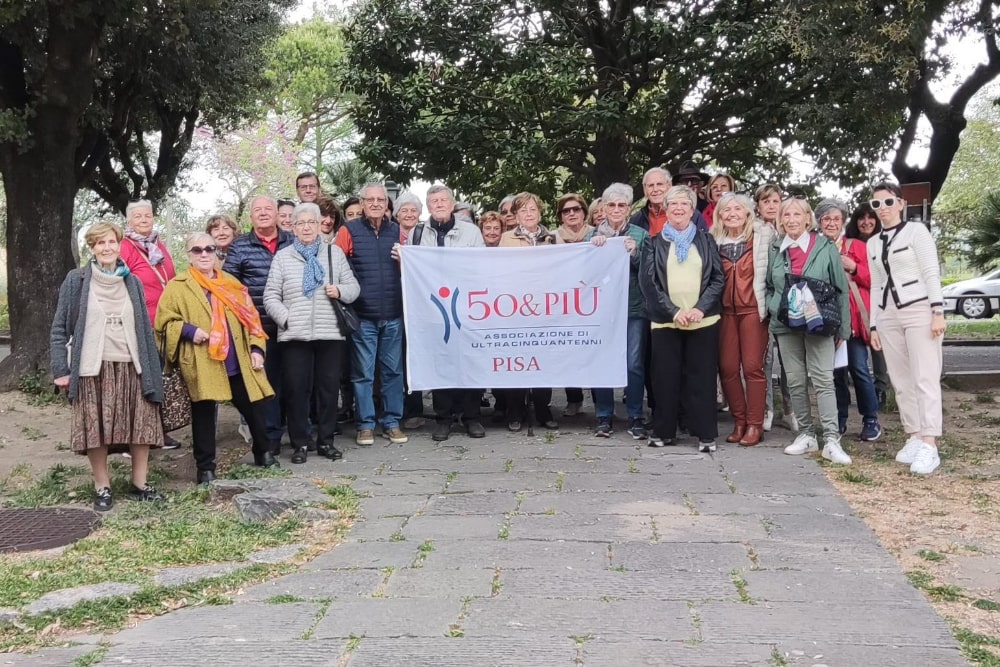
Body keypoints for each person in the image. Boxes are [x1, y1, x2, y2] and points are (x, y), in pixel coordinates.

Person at [50, 222, 165, 511]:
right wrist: (61, 370)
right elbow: (59, 329)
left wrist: (154, 367)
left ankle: (139, 484)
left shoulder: (132, 282)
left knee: (141, 424)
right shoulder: (76, 280)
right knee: (95, 428)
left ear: (119, 244)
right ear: (92, 248)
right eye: (99, 243)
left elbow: (144, 328)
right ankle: (102, 486)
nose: (106, 248)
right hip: (92, 367)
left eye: (111, 242)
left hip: (132, 365)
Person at [156, 233, 278, 483]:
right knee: (203, 415)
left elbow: (251, 319)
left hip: (237, 360)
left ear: (216, 253)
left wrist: (257, 349)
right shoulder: (177, 286)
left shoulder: (231, 282)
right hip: (203, 362)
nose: (204, 254)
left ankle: (263, 452)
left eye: (209, 249)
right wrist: (190, 332)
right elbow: (164, 324)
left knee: (254, 408)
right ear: (189, 254)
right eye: (197, 250)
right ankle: (206, 468)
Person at [263, 203, 360, 463]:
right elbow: (270, 296)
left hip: (330, 334)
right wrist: (286, 318)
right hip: (295, 335)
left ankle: (326, 441)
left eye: (311, 222)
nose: (306, 227)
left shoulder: (334, 254)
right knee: (296, 390)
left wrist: (339, 291)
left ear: (319, 226)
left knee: (328, 390)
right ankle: (300, 443)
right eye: (301, 223)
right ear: (293, 227)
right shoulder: (283, 257)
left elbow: (354, 288)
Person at [866, 182, 947, 475]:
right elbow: (876, 285)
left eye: (888, 202)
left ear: (900, 204)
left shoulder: (917, 232)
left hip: (919, 308)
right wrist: (873, 324)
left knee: (925, 376)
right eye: (877, 205)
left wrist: (937, 311)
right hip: (888, 314)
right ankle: (913, 434)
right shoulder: (872, 243)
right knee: (900, 379)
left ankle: (930, 441)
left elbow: (930, 271)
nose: (883, 209)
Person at [766, 197, 852, 465]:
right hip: (786, 325)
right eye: (786, 215)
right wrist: (773, 306)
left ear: (807, 218)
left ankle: (831, 439)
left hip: (820, 323)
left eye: (797, 214)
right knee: (795, 380)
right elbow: (770, 284)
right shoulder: (776, 249)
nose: (791, 219)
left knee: (824, 380)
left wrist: (843, 330)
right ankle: (806, 434)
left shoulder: (824, 246)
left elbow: (841, 288)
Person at [639, 185, 724, 452]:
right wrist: (674, 312)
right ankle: (664, 431)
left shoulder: (706, 240)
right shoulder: (652, 243)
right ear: (665, 209)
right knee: (665, 378)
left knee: (702, 378)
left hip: (703, 320)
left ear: (692, 210)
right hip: (666, 321)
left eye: (684, 204)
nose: (678, 209)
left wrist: (700, 308)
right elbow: (649, 283)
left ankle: (705, 435)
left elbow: (717, 278)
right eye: (673, 204)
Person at [407, 184, 487, 440]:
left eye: (443, 200)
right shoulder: (417, 233)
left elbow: (481, 267)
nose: (439, 205)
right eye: (434, 202)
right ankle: (444, 418)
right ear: (428, 207)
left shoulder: (471, 232)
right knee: (440, 361)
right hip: (431, 308)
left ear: (452, 204)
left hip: (465, 307)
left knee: (469, 361)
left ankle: (471, 416)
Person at [334, 182, 408, 446]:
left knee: (393, 372)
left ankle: (391, 422)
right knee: (363, 373)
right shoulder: (348, 231)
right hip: (362, 315)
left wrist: (404, 262)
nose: (376, 204)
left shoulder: (398, 231)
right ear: (362, 203)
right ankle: (365, 424)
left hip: (393, 314)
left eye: (381, 200)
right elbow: (336, 267)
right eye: (370, 200)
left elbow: (411, 271)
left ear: (387, 204)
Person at [223, 195, 295, 453]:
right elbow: (228, 287)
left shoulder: (293, 241)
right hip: (259, 329)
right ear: (250, 216)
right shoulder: (240, 246)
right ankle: (271, 439)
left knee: (294, 384)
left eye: (268, 209)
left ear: (277, 214)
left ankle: (299, 436)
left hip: (293, 327)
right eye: (257, 210)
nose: (263, 213)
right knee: (267, 386)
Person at [816, 199, 882, 442]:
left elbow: (874, 281)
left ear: (843, 222)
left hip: (852, 321)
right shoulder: (815, 247)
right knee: (836, 374)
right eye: (826, 219)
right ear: (819, 222)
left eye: (836, 219)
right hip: (826, 322)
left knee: (859, 369)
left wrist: (854, 267)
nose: (831, 223)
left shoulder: (856, 246)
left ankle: (871, 418)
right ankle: (840, 419)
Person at [712, 193, 775, 447]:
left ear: (748, 212)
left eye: (737, 209)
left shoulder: (763, 236)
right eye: (726, 210)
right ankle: (739, 421)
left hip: (752, 310)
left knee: (752, 368)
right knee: (727, 368)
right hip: (725, 312)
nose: (732, 214)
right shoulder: (713, 239)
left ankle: (755, 424)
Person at [588, 183, 650, 439]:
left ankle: (635, 415)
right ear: (603, 207)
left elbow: (648, 271)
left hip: (633, 308)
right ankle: (604, 415)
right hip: (601, 310)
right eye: (611, 204)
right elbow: (584, 272)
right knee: (602, 361)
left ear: (628, 208)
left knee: (634, 363)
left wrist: (634, 253)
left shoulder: (640, 234)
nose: (615, 209)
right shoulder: (590, 236)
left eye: (621, 205)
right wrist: (594, 250)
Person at [497, 192, 558, 430]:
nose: (529, 214)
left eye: (533, 209)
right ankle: (515, 412)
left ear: (540, 212)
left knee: (543, 361)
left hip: (544, 308)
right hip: (515, 309)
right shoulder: (506, 238)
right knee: (517, 361)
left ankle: (543, 409)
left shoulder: (553, 238)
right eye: (523, 210)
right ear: (517, 215)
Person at [755, 183, 796, 433]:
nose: (771, 205)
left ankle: (791, 410)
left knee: (790, 360)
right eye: (766, 201)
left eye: (775, 201)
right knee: (765, 359)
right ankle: (766, 409)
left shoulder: (791, 229)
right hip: (765, 303)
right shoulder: (756, 231)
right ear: (758, 207)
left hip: (791, 303)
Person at [552, 192, 594, 417]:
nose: (571, 214)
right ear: (560, 216)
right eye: (566, 211)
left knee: (596, 349)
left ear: (584, 212)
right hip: (565, 301)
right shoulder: (553, 238)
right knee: (569, 348)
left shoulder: (597, 235)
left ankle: (601, 402)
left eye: (576, 209)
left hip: (594, 299)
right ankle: (574, 399)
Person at [846, 202, 889, 407]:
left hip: (883, 300)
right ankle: (866, 392)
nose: (866, 222)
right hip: (859, 301)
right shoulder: (847, 244)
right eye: (861, 218)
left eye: (870, 217)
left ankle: (881, 387)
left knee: (879, 347)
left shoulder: (885, 241)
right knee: (859, 351)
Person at [394, 189, 427, 428]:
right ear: (396, 215)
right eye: (403, 210)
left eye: (413, 210)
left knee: (420, 355)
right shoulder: (389, 235)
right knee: (400, 356)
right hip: (395, 302)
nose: (408, 214)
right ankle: (403, 408)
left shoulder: (426, 234)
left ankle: (419, 407)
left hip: (423, 303)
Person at [119, 200, 176, 329]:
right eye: (137, 216)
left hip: (168, 318)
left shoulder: (159, 246)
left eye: (148, 216)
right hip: (142, 322)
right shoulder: (124, 247)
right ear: (129, 222)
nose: (144, 220)